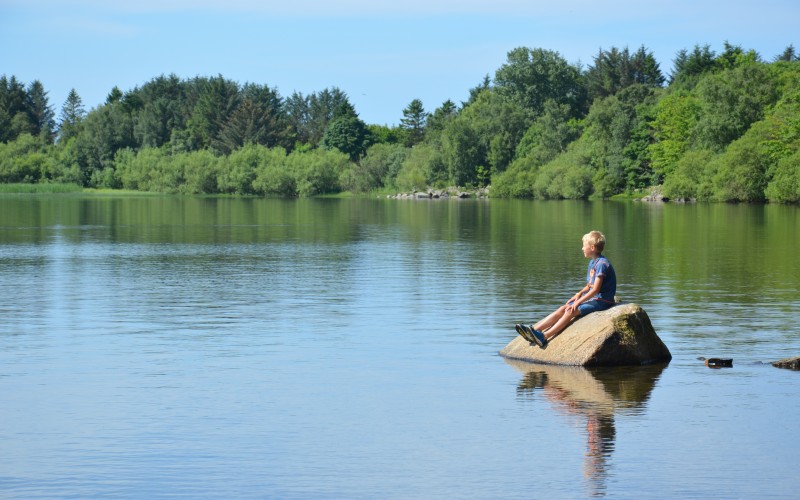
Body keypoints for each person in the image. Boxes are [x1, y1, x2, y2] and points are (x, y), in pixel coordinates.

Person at [516, 230, 617, 348]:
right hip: (595, 299)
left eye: (584, 246)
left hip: (603, 301)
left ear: (592, 247)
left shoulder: (602, 264)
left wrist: (578, 302)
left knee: (571, 311)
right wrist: (578, 294)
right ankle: (533, 330)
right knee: (564, 308)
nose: (582, 249)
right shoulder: (593, 263)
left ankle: (544, 336)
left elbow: (595, 289)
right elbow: (589, 285)